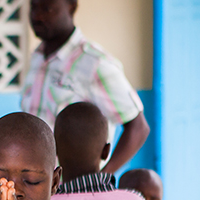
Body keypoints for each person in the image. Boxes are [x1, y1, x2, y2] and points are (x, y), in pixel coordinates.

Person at [22, 0, 149, 174]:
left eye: (47, 8)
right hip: (37, 185)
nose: (37, 16)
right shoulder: (37, 59)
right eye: (34, 7)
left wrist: (102, 178)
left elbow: (138, 127)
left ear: (72, 6)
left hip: (75, 190)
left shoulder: (95, 63)